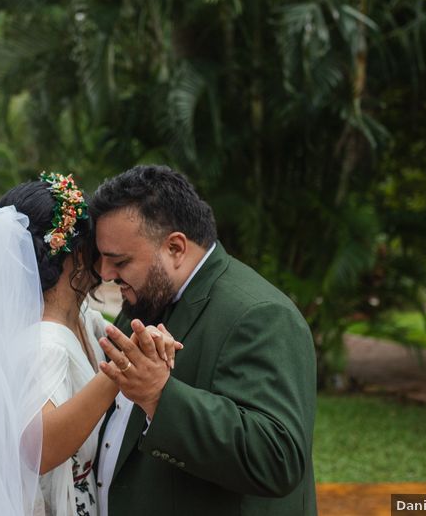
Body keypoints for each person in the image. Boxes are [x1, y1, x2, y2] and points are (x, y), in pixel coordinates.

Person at [0, 172, 180, 516]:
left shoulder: (85, 322)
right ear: (75, 255)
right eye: (95, 246)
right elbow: (38, 449)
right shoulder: (46, 344)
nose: (104, 259)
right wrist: (121, 371)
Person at [89, 165, 318, 516]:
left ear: (176, 248)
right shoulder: (145, 296)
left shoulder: (259, 314)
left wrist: (160, 396)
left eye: (119, 261)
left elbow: (278, 457)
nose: (105, 274)